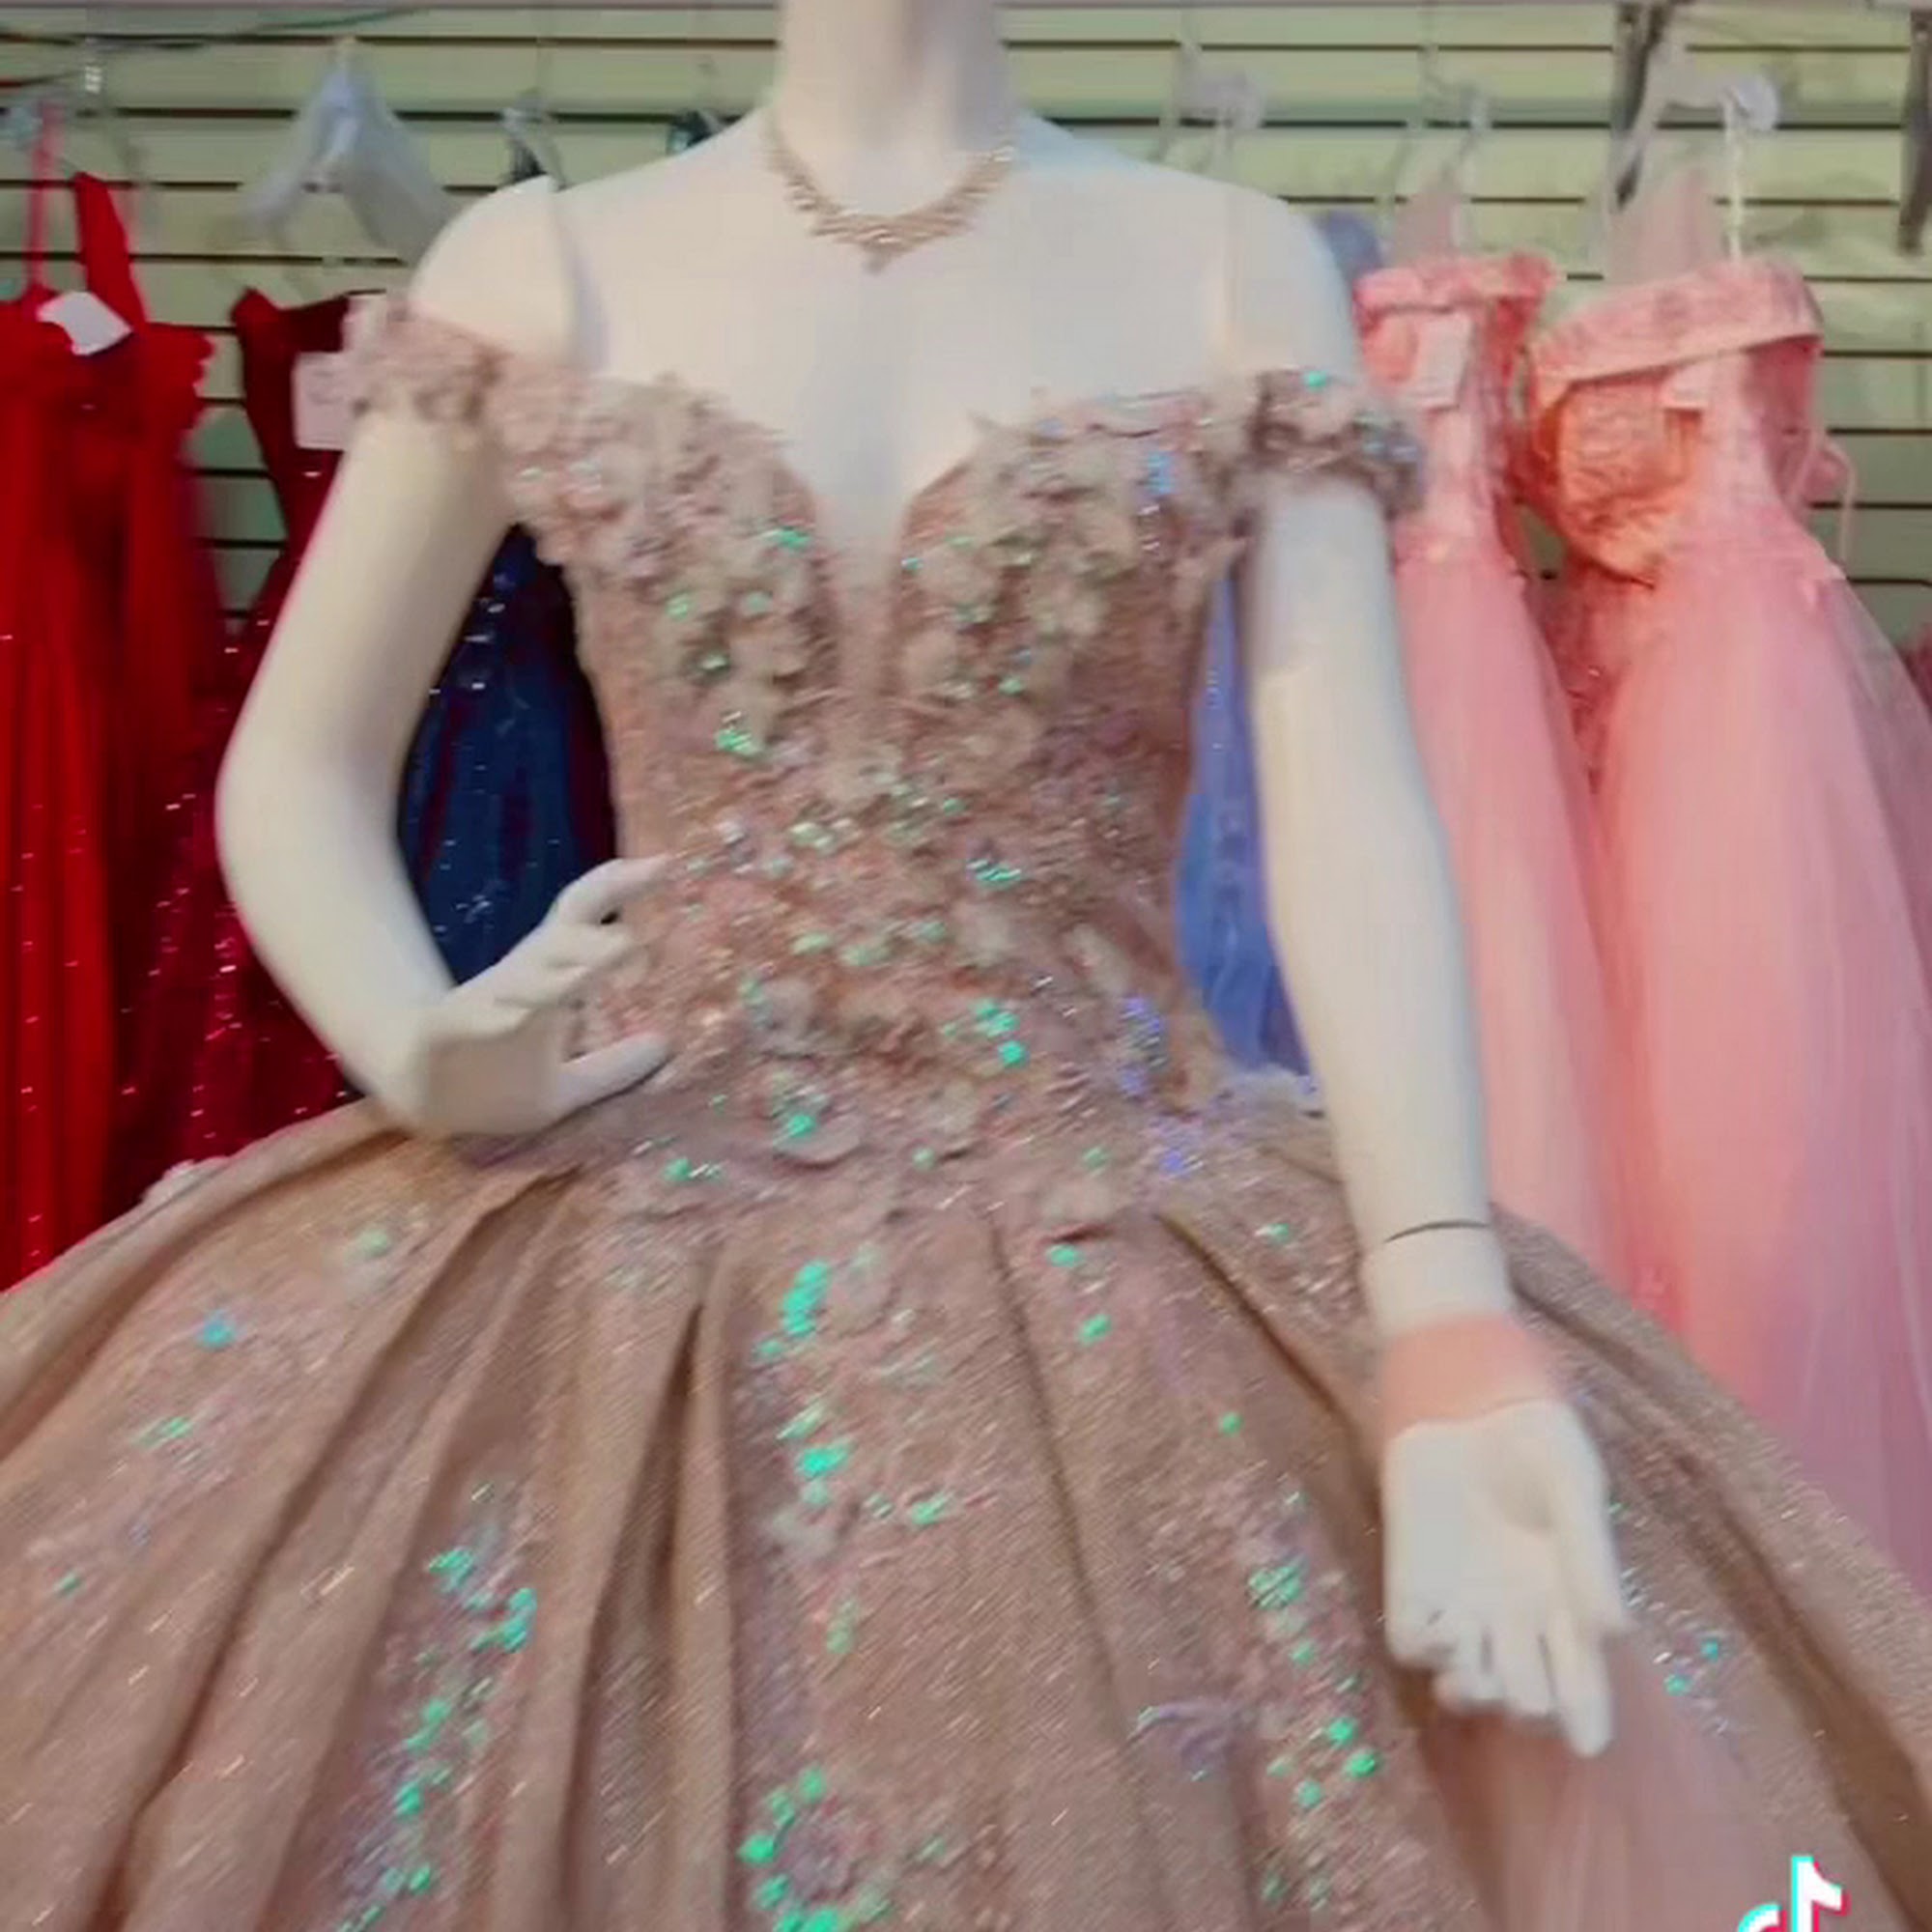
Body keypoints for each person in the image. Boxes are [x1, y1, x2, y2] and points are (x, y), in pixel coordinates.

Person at [1, 5, 1927, 1927]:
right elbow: (301, 766)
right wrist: (418, 1045)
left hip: (1110, 1197)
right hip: (608, 1182)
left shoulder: (1226, 261)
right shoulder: (542, 263)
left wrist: (1438, 1302)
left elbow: (1355, 806)